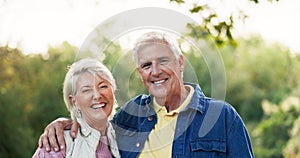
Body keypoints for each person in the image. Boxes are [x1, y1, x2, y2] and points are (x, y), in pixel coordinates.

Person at [38, 32, 254, 157]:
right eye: (146, 65)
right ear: (140, 72)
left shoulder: (222, 117)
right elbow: (97, 123)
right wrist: (62, 122)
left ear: (180, 63)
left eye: (163, 61)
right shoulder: (132, 115)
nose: (155, 71)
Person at [33, 58, 120, 158]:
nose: (97, 96)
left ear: (113, 91)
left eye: (103, 86)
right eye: (86, 90)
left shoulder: (125, 138)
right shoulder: (57, 145)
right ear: (74, 102)